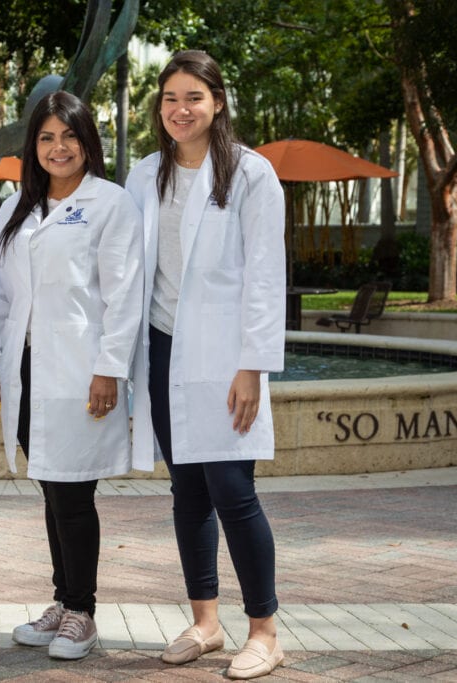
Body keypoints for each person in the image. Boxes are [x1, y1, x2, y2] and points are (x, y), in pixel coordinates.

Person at [125, 50, 287, 680]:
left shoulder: (251, 174)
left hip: (225, 356)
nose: (180, 109)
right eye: (170, 98)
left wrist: (253, 366)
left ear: (217, 102)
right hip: (162, 348)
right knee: (187, 491)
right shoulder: (146, 174)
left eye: (193, 97)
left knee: (233, 490)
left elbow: (266, 275)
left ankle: (265, 632)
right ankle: (206, 622)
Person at [0, 91, 144, 660]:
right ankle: (62, 599)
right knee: (52, 488)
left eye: (69, 135)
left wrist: (109, 369)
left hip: (81, 369)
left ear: (86, 141)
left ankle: (82, 611)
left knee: (73, 492)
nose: (59, 147)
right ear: (33, 146)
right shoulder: (15, 208)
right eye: (47, 137)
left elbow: (124, 294)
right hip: (25, 368)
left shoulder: (111, 204)